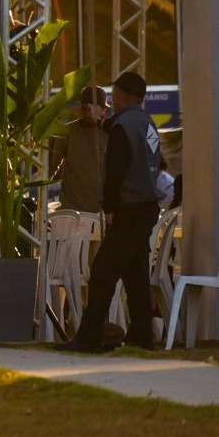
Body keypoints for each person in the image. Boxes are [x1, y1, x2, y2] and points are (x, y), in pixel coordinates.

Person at [64, 72, 167, 354]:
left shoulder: (123, 126)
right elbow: (156, 161)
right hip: (146, 208)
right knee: (135, 276)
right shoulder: (148, 125)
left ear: (120, 95)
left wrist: (109, 207)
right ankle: (141, 337)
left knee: (102, 272)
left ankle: (89, 337)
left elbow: (117, 168)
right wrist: (101, 120)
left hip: (128, 209)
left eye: (115, 94)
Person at [55, 86, 108, 214]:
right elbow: (51, 165)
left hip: (101, 210)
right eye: (85, 109)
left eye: (93, 110)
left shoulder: (111, 133)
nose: (89, 114)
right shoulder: (67, 132)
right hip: (71, 207)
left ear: (104, 110)